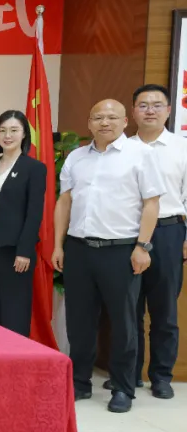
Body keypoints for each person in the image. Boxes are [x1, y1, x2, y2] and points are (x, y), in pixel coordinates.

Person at [53, 99, 164, 413]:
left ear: (125, 121)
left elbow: (152, 204)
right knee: (79, 321)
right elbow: (64, 202)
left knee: (123, 323)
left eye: (112, 117)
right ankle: (79, 382)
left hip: (121, 250)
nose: (105, 122)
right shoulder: (76, 157)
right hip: (79, 249)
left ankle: (123, 387)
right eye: (98, 117)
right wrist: (58, 245)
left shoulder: (141, 155)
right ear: (89, 123)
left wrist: (142, 246)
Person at [117, 84, 184, 399]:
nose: (150, 110)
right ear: (133, 112)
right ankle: (129, 375)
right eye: (143, 105)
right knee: (128, 309)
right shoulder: (121, 148)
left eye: (157, 105)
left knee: (164, 310)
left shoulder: (182, 148)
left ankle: (161, 376)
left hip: (169, 232)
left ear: (168, 110)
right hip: (128, 234)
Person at [0, 110, 47, 335]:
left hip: (16, 246)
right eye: (2, 130)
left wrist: (24, 251)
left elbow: (34, 214)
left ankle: (16, 353)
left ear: (24, 134)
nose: (7, 135)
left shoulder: (34, 168)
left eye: (14, 130)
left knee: (15, 305)